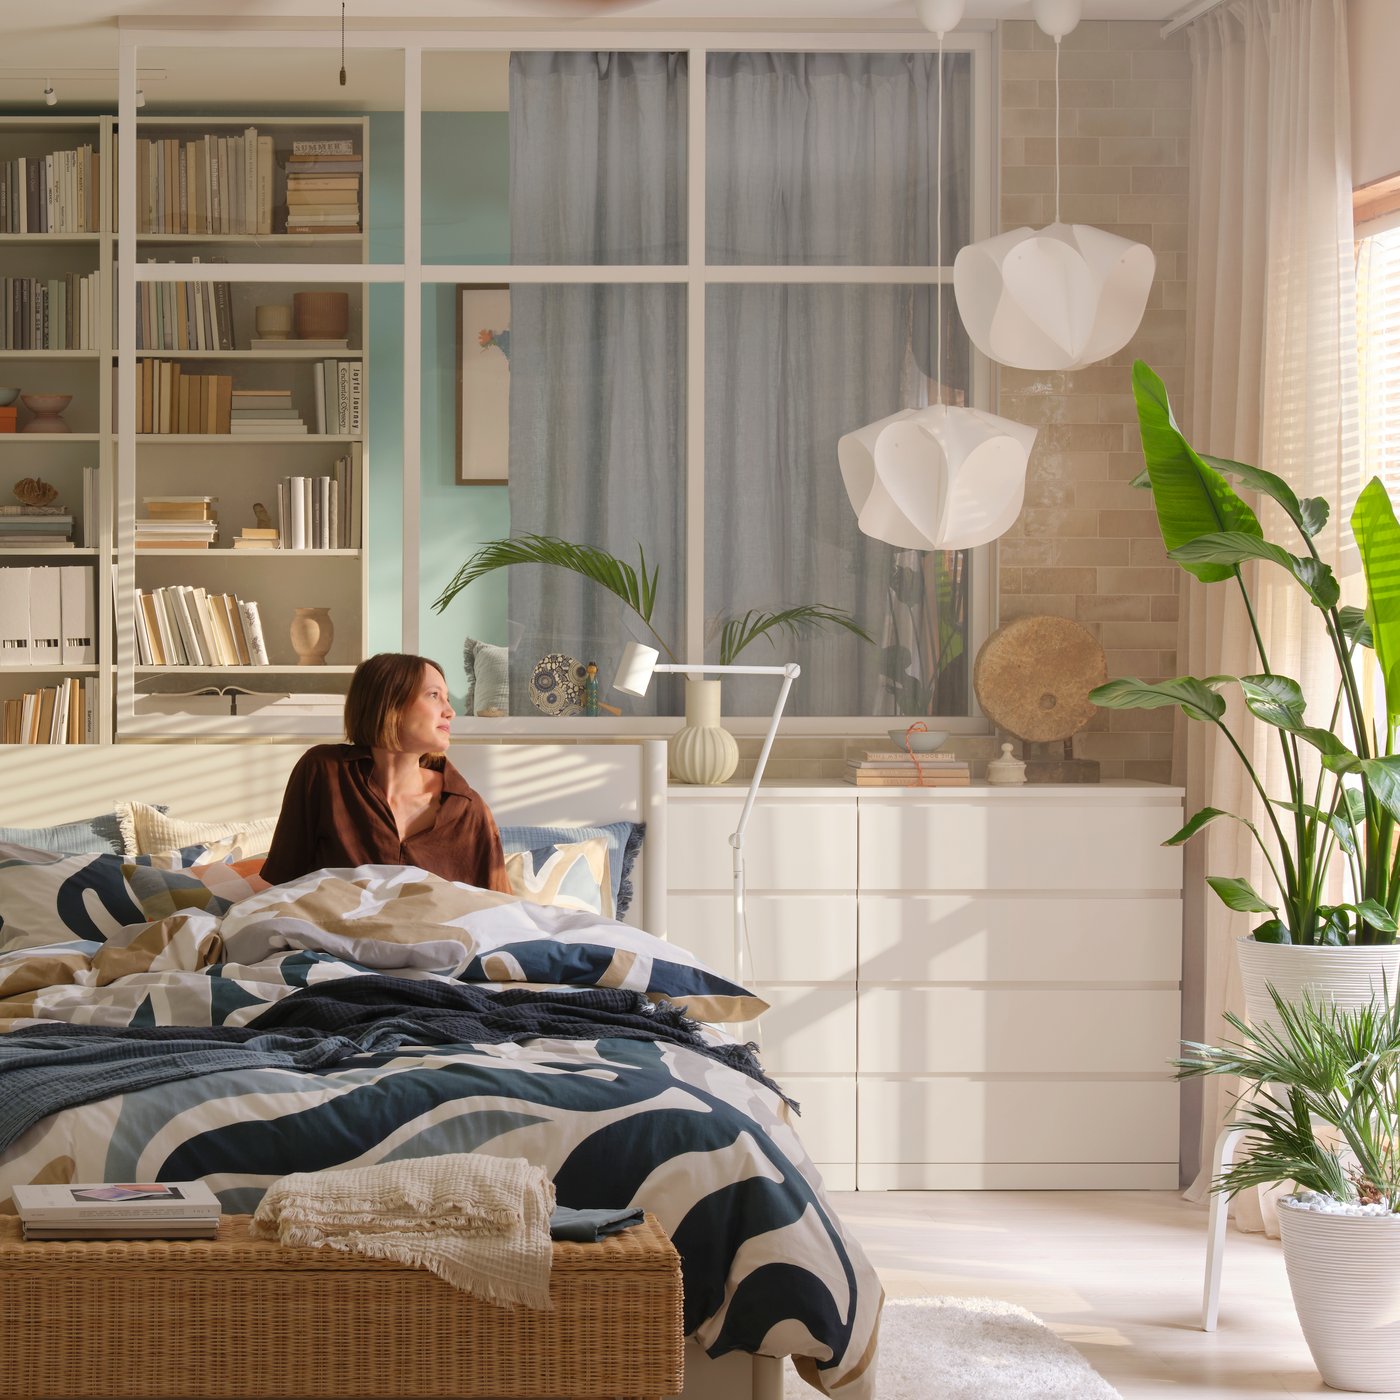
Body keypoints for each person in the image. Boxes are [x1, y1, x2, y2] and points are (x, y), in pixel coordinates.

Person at [261, 652, 513, 893]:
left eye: (446, 698)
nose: (450, 711)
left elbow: (498, 911)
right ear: (389, 703)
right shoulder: (324, 772)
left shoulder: (468, 810)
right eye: (434, 695)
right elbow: (284, 887)